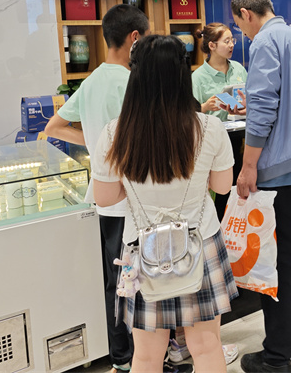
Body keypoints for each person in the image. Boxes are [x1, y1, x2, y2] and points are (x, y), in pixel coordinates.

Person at [90, 34, 238, 372]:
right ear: (183, 74)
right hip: (201, 244)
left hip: (142, 249)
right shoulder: (210, 128)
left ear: (135, 75)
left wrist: (134, 189)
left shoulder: (114, 133)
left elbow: (104, 198)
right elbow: (222, 186)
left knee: (145, 355)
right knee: (206, 346)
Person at [44, 4, 149, 373]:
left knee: (114, 281)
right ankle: (142, 357)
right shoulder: (134, 82)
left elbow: (53, 127)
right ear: (135, 38)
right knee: (140, 281)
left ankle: (121, 358)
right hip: (133, 199)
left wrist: (94, 143)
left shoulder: (90, 81)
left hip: (101, 199)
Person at [231, 0, 291, 373]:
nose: (242, 34)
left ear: (246, 14)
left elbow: (262, 106)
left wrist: (248, 165)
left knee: (276, 264)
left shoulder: (265, 41)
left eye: (239, 26)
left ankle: (276, 356)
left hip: (281, 170)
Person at [192, 22, 248, 218]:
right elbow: (189, 114)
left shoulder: (238, 69)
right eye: (226, 41)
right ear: (212, 46)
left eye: (232, 40)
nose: (231, 45)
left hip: (241, 139)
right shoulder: (198, 77)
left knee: (240, 190)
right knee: (220, 193)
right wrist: (205, 107)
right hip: (213, 142)